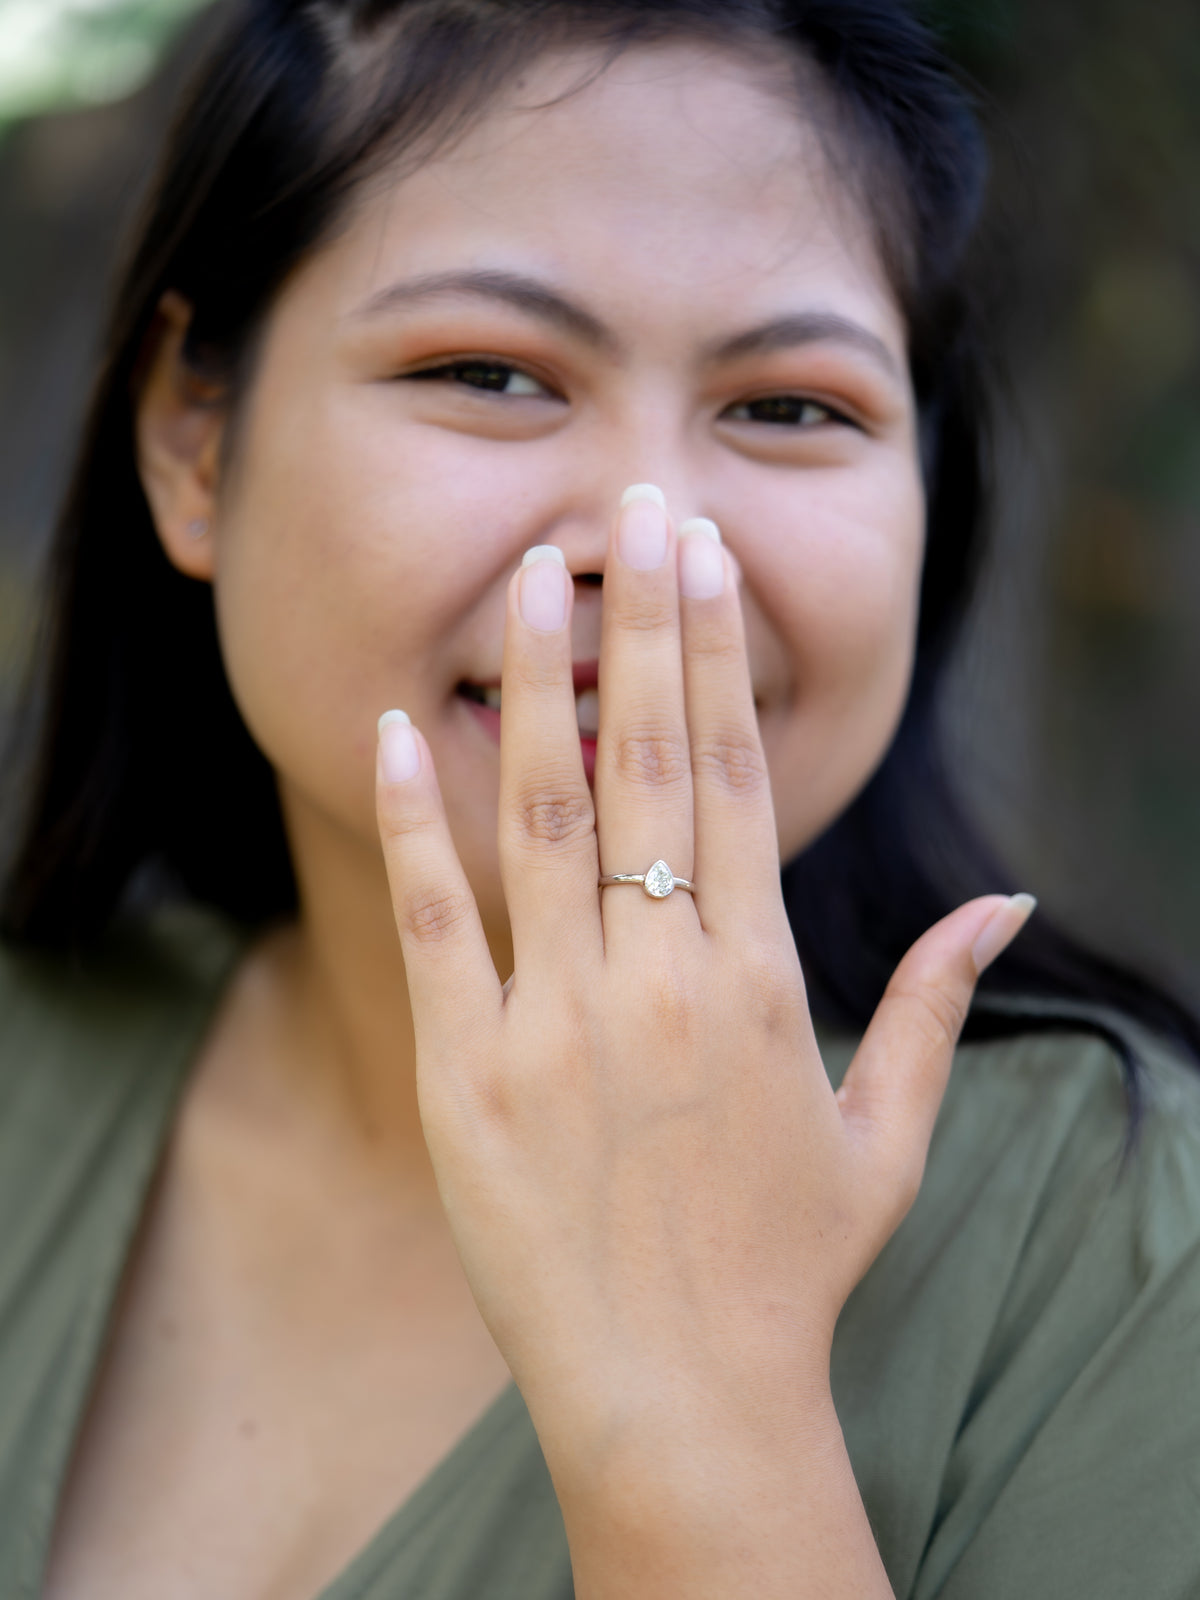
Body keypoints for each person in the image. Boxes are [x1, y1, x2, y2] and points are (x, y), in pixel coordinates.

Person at [1, 0, 1198, 1595]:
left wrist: (709, 1417)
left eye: (790, 407)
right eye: (488, 371)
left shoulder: (1128, 1244)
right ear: (193, 439)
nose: (651, 545)